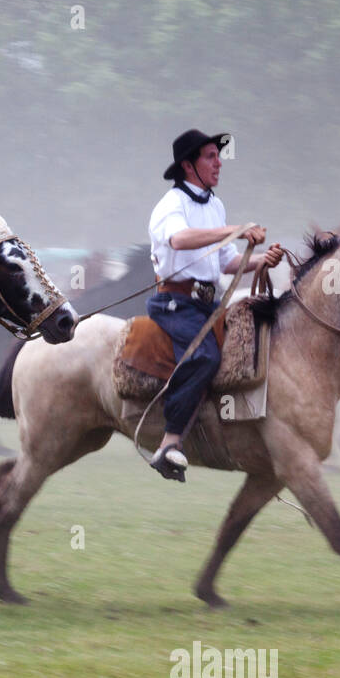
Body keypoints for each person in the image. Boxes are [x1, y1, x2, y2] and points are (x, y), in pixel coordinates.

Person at [146, 129, 284, 481]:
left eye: (217, 155)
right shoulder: (171, 204)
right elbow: (179, 239)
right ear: (188, 166)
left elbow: (226, 263)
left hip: (209, 304)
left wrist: (260, 261)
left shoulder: (216, 205)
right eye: (210, 156)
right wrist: (236, 229)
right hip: (174, 302)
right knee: (204, 356)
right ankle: (168, 443)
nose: (219, 162)